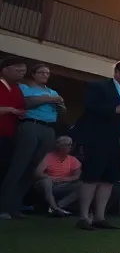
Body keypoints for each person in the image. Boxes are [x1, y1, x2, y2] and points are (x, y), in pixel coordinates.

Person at [69, 60, 120, 231]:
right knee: (92, 176)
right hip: (99, 138)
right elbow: (90, 107)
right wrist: (114, 110)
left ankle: (100, 217)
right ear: (118, 71)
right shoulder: (99, 87)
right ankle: (84, 217)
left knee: (109, 179)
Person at [1, 62, 65, 218]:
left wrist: (57, 102)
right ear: (34, 74)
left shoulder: (52, 91)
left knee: (31, 170)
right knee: (19, 166)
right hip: (31, 125)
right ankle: (3, 207)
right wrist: (48, 99)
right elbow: (26, 103)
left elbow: (63, 109)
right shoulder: (25, 88)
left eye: (48, 73)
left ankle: (15, 207)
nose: (45, 76)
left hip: (48, 128)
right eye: (42, 73)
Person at [34, 136, 81, 217]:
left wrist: (63, 180)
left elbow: (77, 176)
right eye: (68, 145)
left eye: (71, 145)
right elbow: (38, 173)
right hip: (47, 184)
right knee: (46, 180)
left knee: (83, 186)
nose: (70, 147)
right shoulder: (48, 156)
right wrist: (52, 178)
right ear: (60, 146)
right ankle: (53, 206)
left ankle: (59, 206)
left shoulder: (72, 160)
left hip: (62, 184)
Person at [0, 58, 28, 193]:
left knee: (3, 167)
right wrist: (11, 110)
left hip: (8, 135)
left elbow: (20, 108)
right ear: (5, 69)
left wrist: (19, 113)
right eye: (18, 70)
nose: (21, 73)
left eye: (23, 71)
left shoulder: (17, 89)